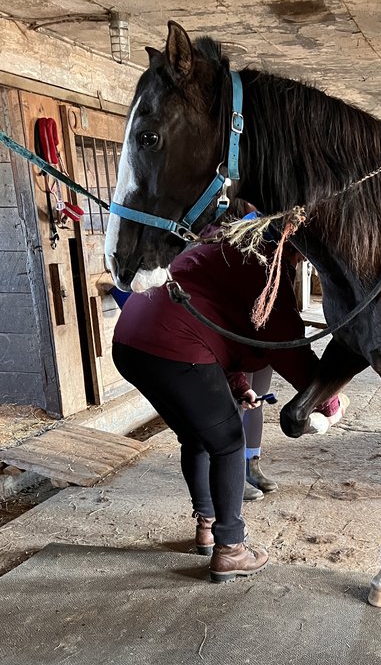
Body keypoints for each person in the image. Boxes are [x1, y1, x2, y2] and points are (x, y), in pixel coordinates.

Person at [110, 235, 344, 584]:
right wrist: (330, 401)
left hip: (131, 342)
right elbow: (286, 347)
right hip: (176, 347)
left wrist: (239, 386)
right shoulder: (268, 269)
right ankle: (231, 548)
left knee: (196, 435)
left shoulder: (221, 245)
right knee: (230, 441)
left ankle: (206, 527)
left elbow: (221, 320)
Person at [241, 364, 276, 502]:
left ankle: (251, 467)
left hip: (263, 344)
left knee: (257, 400)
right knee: (239, 403)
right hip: (239, 345)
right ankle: (231, 473)